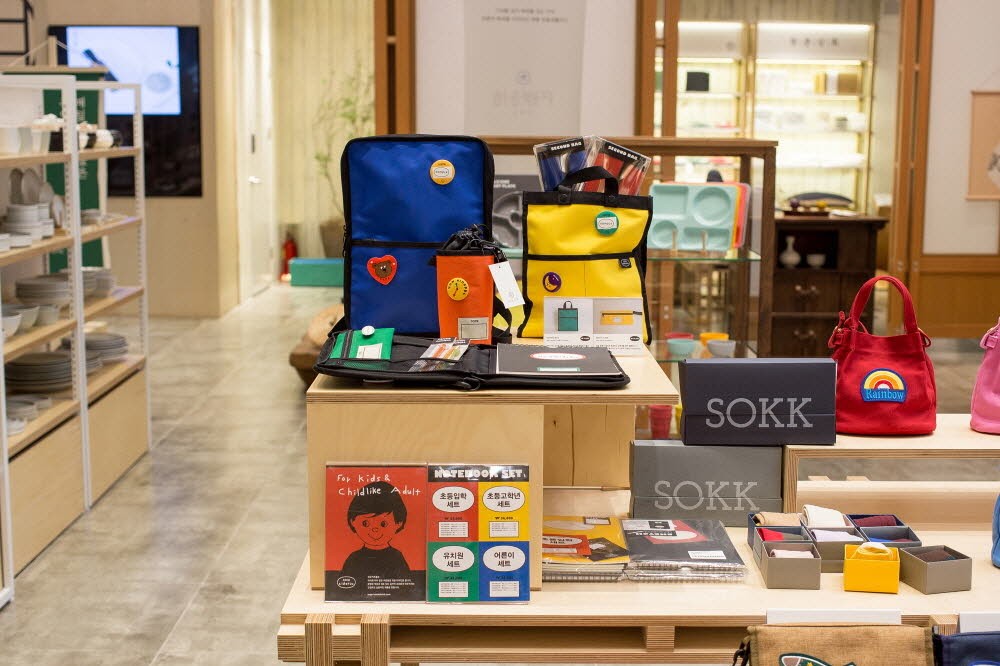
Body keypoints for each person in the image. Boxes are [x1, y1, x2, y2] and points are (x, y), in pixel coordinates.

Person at [341, 481, 411, 585]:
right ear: (352, 522)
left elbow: (406, 587)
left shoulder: (396, 557)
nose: (374, 529)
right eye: (365, 523)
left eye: (383, 524)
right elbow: (344, 588)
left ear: (398, 523)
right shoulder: (354, 559)